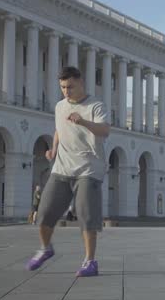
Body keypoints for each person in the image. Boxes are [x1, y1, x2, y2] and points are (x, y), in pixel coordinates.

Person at [25, 66, 110, 277]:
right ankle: (46, 249)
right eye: (63, 87)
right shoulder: (60, 106)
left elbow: (105, 130)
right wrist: (53, 148)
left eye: (70, 86)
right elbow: (59, 129)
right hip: (62, 166)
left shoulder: (95, 105)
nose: (66, 91)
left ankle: (90, 261)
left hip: (89, 168)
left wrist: (82, 121)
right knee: (44, 213)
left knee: (85, 213)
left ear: (81, 82)